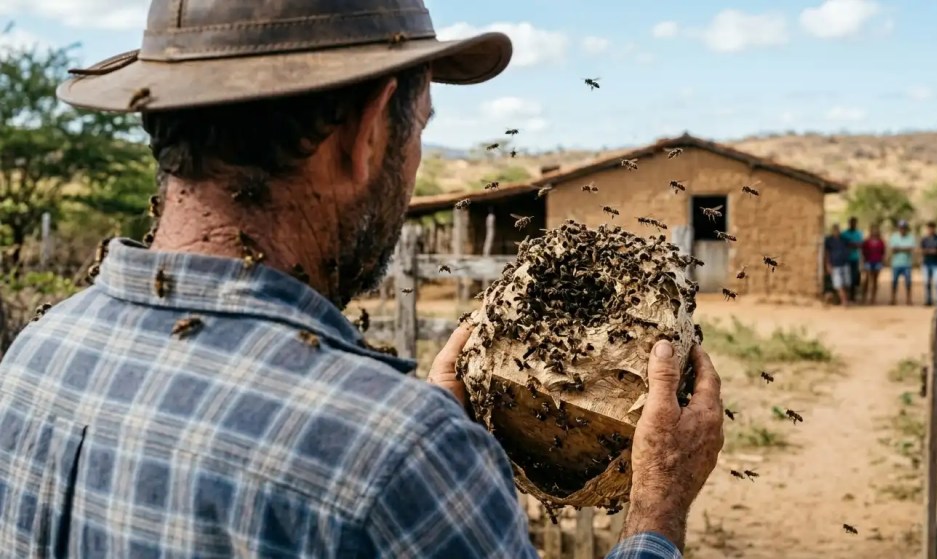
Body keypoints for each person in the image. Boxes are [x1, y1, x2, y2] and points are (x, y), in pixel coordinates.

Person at [0, 2, 724, 558]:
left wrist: (436, 445)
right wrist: (655, 513)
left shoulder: (32, 359)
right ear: (369, 131)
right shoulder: (396, 459)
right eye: (419, 130)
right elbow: (367, 469)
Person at [919, 221, 937, 306]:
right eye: (929, 228)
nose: (930, 230)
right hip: (927, 263)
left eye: (932, 228)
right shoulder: (924, 239)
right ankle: (928, 300)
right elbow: (919, 250)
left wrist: (936, 251)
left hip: (936, 263)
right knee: (926, 282)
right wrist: (927, 251)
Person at [889, 220, 916, 305]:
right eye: (901, 228)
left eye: (904, 228)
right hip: (896, 264)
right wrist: (905, 249)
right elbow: (893, 250)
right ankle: (893, 299)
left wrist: (899, 248)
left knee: (908, 282)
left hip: (907, 264)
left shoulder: (911, 237)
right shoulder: (894, 237)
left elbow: (911, 249)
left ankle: (908, 299)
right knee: (894, 282)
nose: (902, 229)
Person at [825, 223, 851, 306]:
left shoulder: (844, 239)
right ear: (832, 231)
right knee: (838, 284)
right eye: (835, 230)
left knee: (846, 283)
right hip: (835, 265)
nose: (836, 232)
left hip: (844, 264)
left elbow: (849, 248)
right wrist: (828, 264)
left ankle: (843, 299)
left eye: (838, 230)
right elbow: (827, 253)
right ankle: (844, 301)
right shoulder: (829, 241)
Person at [861, 223, 886, 304]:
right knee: (867, 279)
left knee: (875, 280)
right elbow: (863, 251)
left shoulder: (880, 241)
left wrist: (882, 261)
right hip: (868, 261)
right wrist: (864, 260)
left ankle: (873, 298)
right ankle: (864, 297)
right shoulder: (867, 241)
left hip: (877, 262)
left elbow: (883, 252)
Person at [841, 217, 864, 303]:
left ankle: (853, 296)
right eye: (851, 223)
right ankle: (846, 296)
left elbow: (860, 245)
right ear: (849, 223)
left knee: (855, 277)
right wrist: (853, 244)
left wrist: (850, 244)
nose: (853, 224)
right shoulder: (844, 234)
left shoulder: (859, 233)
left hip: (855, 258)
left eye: (854, 223)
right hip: (846, 258)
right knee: (846, 277)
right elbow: (843, 244)